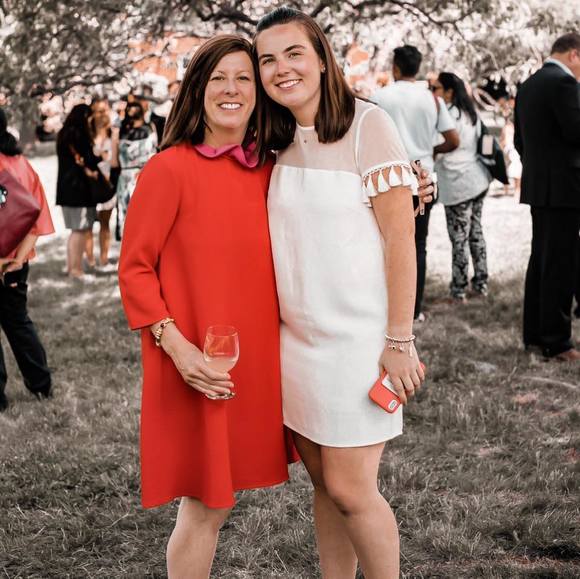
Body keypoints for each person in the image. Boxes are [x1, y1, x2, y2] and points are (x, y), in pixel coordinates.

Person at [255, 8, 430, 578]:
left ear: (323, 59)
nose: (281, 69)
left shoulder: (368, 125)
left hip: (359, 344)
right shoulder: (273, 138)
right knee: (325, 486)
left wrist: (399, 341)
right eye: (267, 60)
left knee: (353, 490)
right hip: (295, 344)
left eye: (294, 53)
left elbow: (400, 241)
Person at [117, 36, 297, 577]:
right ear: (197, 90)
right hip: (194, 360)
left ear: (260, 91)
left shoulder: (274, 169)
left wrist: (407, 183)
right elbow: (135, 269)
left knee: (232, 499)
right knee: (207, 503)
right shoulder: (168, 169)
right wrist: (178, 349)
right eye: (218, 77)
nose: (230, 89)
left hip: (260, 362)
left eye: (243, 77)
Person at [372, 45, 459, 322]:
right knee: (418, 243)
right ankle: (413, 308)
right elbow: (453, 139)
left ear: (395, 67)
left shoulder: (379, 97)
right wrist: (430, 151)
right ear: (417, 68)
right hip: (423, 180)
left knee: (383, 243)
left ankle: (385, 306)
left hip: (387, 180)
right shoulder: (432, 100)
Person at [514, 32, 580, 362]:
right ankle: (557, 342)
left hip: (539, 186)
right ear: (574, 54)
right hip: (565, 187)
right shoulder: (564, 83)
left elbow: (519, 141)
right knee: (560, 264)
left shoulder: (528, 85)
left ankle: (535, 335)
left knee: (541, 260)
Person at [0, 108, 54, 411]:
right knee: (19, 322)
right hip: (18, 261)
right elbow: (38, 213)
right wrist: (19, 258)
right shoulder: (21, 163)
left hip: (4, 259)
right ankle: (41, 384)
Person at [433, 72, 493, 301]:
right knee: (476, 233)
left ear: (449, 92)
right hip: (477, 178)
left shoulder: (448, 116)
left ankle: (458, 289)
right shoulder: (471, 113)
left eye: (436, 88)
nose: (433, 93)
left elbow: (439, 144)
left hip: (458, 182)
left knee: (459, 237)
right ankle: (481, 282)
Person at [56, 104, 100, 278]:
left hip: (66, 190)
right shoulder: (78, 135)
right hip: (79, 190)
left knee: (75, 231)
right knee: (79, 231)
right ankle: (76, 270)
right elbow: (89, 160)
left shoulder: (64, 134)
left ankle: (71, 267)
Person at [112, 100, 157, 240]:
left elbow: (114, 162)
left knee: (129, 221)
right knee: (145, 220)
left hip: (129, 176)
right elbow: (156, 153)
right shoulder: (150, 128)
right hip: (144, 176)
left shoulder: (120, 131)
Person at [86, 97, 115, 268]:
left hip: (108, 185)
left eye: (104, 110)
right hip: (90, 183)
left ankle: (104, 258)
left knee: (105, 222)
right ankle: (90, 260)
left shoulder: (113, 133)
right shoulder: (87, 134)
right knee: (88, 224)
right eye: (97, 111)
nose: (101, 114)